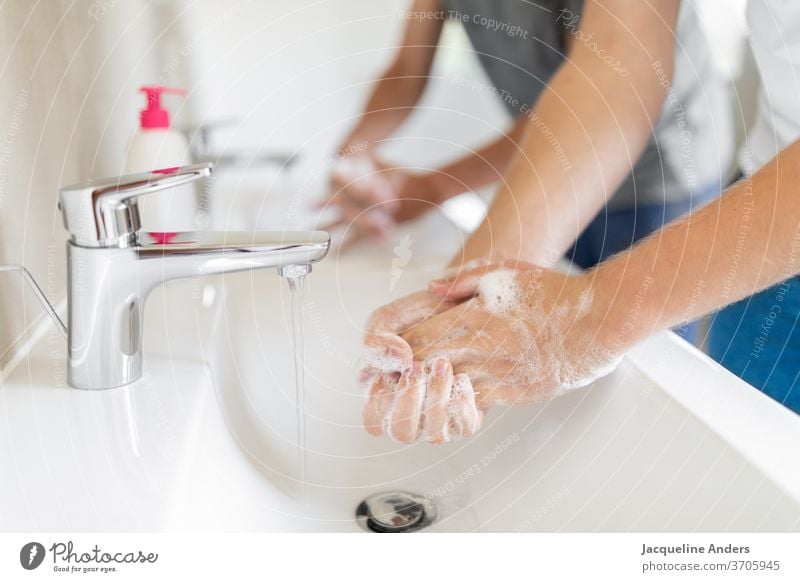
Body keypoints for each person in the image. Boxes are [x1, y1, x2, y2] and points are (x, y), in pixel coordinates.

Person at [360, 0, 800, 445]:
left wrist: (594, 312)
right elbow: (616, 62)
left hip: (678, 185)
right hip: (767, 190)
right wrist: (478, 285)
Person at [324, 0, 733, 345]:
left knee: (638, 350)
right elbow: (407, 69)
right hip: (560, 165)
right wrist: (353, 155)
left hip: (660, 172)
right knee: (556, 326)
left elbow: (589, 103)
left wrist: (435, 185)